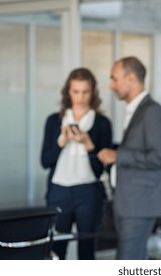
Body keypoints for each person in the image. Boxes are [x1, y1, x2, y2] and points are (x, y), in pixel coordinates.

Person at [97, 56, 161, 260]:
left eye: (114, 78)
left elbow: (159, 157)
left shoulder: (152, 111)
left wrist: (117, 155)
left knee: (128, 261)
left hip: (140, 203)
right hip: (129, 202)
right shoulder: (136, 110)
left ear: (130, 78)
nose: (111, 85)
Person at [41, 68, 112, 260]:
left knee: (87, 248)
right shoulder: (54, 121)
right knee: (56, 248)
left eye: (85, 92)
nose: (80, 97)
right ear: (68, 92)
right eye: (76, 91)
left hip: (88, 192)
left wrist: (89, 145)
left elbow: (101, 170)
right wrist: (61, 142)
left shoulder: (102, 123)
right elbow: (45, 161)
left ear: (93, 93)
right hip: (59, 192)